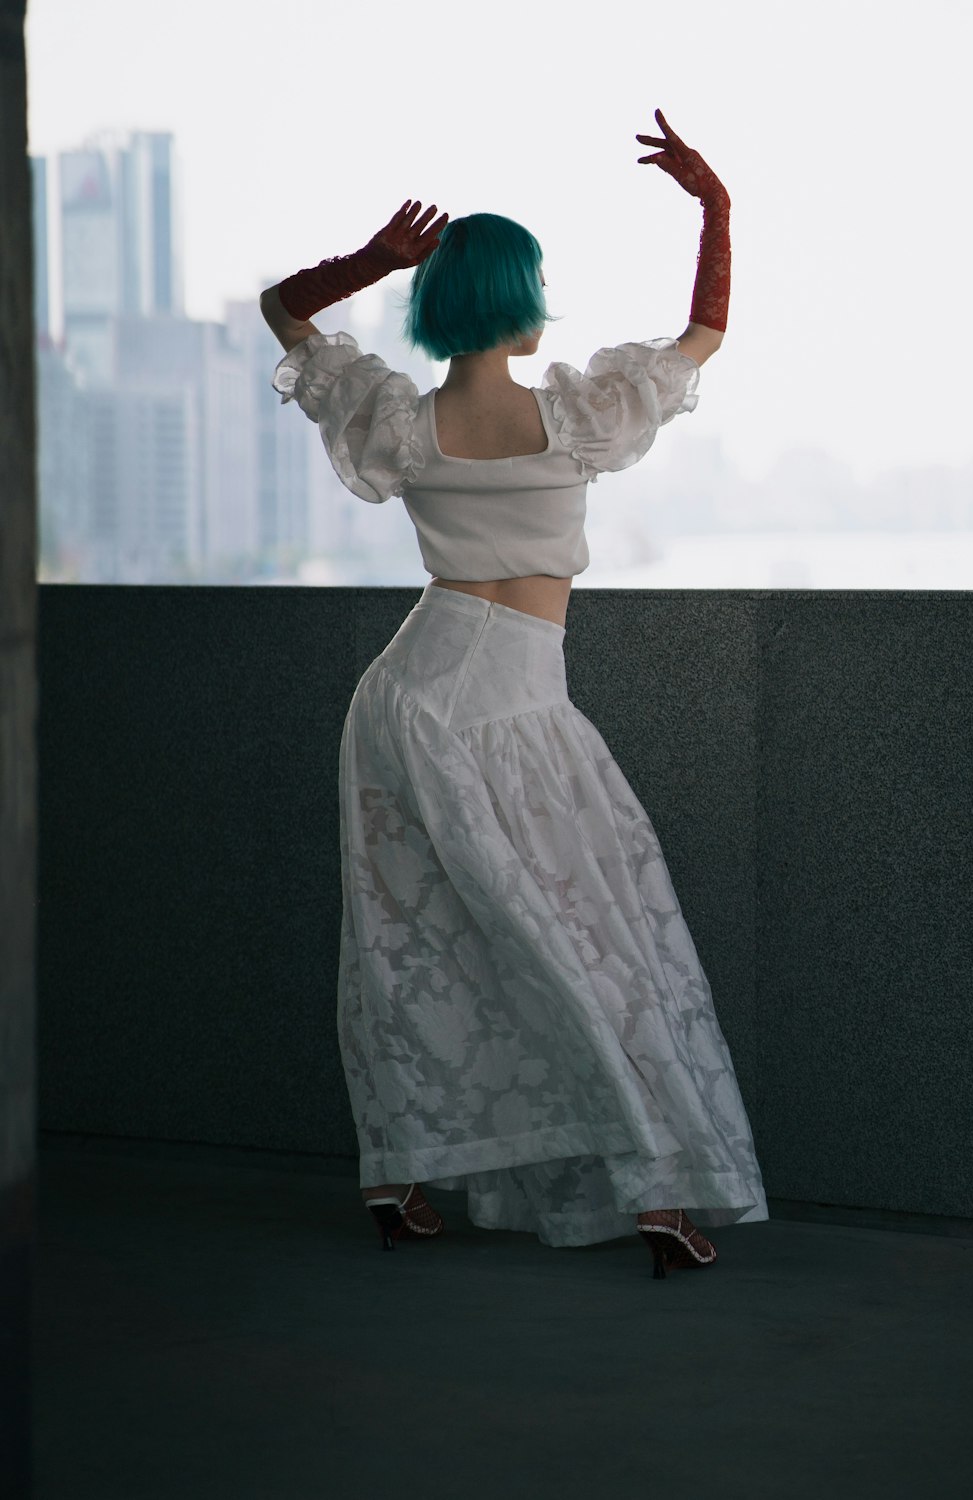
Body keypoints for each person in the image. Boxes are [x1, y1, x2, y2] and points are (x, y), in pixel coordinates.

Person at [260, 108, 767, 1280]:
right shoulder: (578, 414)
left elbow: (287, 314)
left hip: (407, 690)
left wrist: (369, 263)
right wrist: (715, 207)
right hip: (506, 711)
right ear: (525, 299)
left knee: (404, 936)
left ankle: (393, 1179)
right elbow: (705, 331)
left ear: (439, 300)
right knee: (590, 941)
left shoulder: (401, 419)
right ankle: (655, 1191)